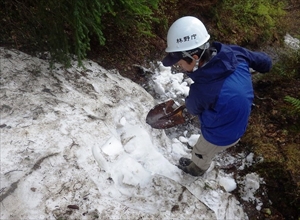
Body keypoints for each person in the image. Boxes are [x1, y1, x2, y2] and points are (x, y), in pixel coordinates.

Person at [162, 16, 272, 176]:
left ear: (194, 58)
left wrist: (190, 101)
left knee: (201, 151)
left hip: (222, 134)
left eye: (180, 63)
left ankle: (197, 168)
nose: (179, 66)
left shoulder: (203, 90)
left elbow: (192, 108)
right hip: (238, 120)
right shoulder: (234, 52)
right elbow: (265, 62)